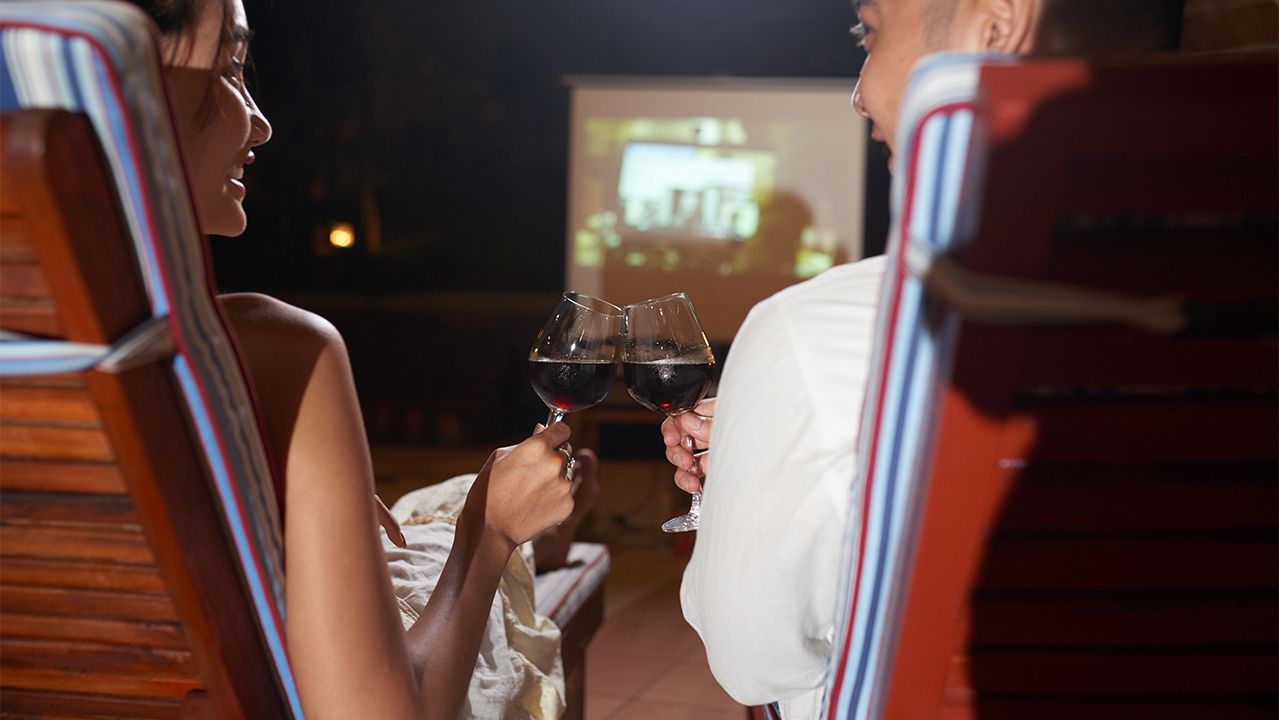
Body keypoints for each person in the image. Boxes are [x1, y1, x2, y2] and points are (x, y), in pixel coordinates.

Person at [661, 1, 1186, 717]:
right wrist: (772, 435)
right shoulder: (1237, 313)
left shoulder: (809, 338)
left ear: (994, 28)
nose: (857, 91)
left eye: (868, 32)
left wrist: (753, 466)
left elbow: (752, 664)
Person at [138, 0, 595, 717]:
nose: (259, 121)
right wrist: (489, 534)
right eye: (229, 66)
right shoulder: (280, 349)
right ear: (126, 91)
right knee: (456, 519)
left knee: (420, 514)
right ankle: (533, 534)